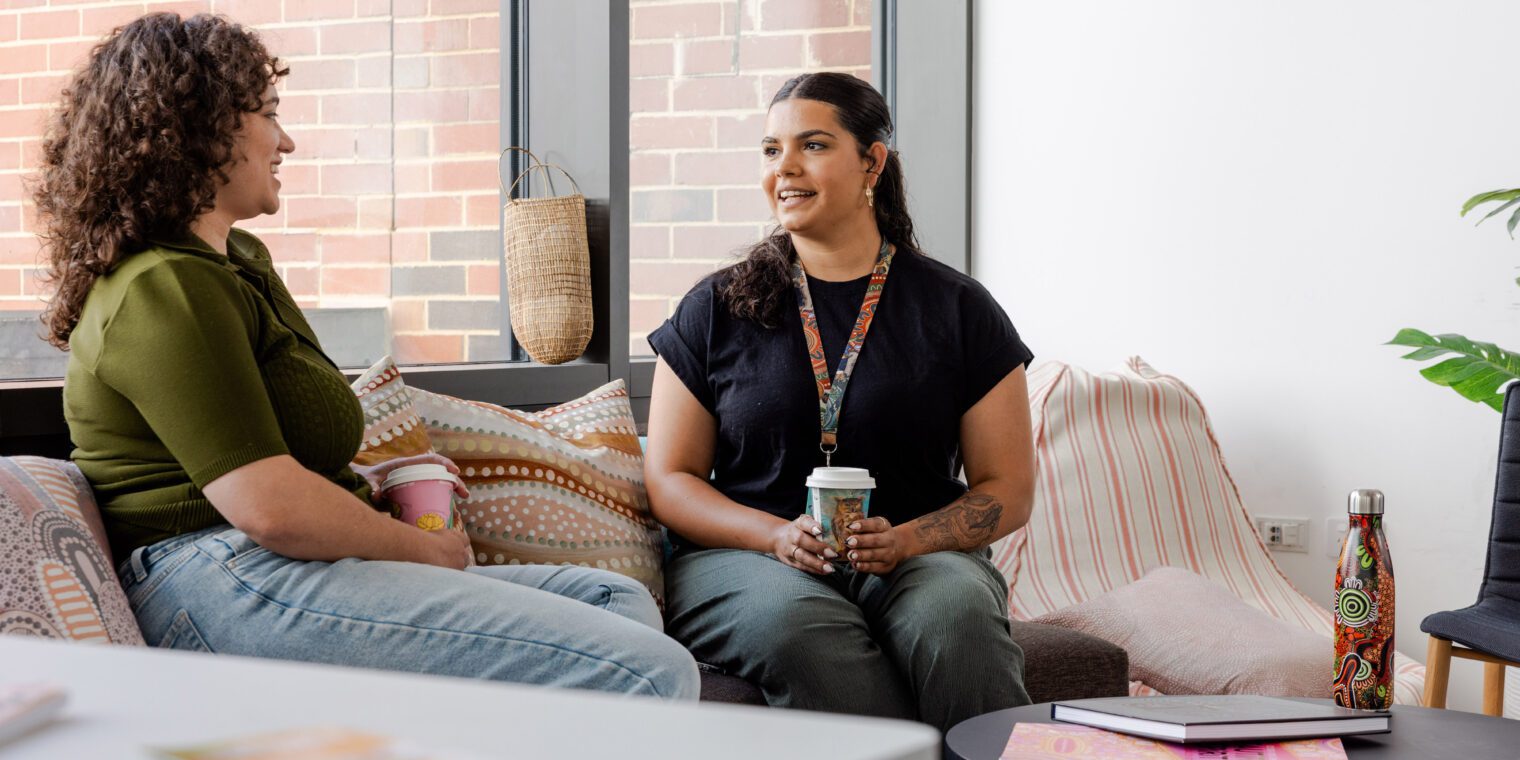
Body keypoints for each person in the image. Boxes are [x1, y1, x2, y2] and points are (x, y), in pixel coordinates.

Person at [34, 12, 698, 700]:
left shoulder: (236, 263)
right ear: (198, 131)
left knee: (615, 602)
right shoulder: (162, 287)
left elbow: (270, 452)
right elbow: (269, 507)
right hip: (218, 579)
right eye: (267, 114)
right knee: (651, 671)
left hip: (276, 564)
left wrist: (377, 479)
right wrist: (424, 550)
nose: (286, 139)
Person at [644, 72, 1036, 730]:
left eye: (814, 146)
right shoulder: (713, 308)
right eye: (771, 151)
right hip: (745, 557)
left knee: (956, 618)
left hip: (917, 553)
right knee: (798, 623)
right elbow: (670, 479)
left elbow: (1008, 488)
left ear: (872, 162)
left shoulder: (959, 309)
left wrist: (908, 540)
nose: (785, 169)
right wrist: (774, 537)